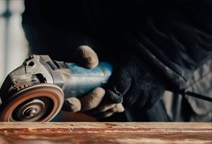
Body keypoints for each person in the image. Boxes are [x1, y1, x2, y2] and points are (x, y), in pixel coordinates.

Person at [21, 0, 212, 122]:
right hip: (110, 82)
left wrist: (157, 55)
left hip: (182, 71)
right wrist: (71, 52)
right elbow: (37, 15)